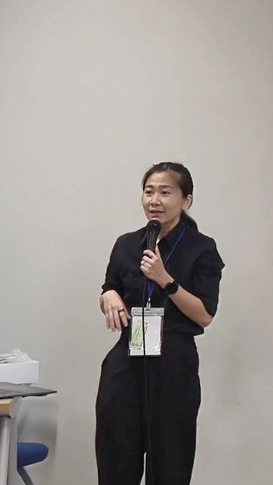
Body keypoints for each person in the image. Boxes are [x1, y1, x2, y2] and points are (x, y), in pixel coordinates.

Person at [94, 162, 225, 485]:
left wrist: (165, 279)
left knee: (170, 463)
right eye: (149, 191)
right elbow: (110, 287)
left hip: (173, 365)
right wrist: (108, 296)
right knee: (115, 459)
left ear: (186, 200)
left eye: (165, 192)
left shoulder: (201, 248)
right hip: (126, 361)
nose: (155, 200)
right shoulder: (127, 244)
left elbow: (204, 315)